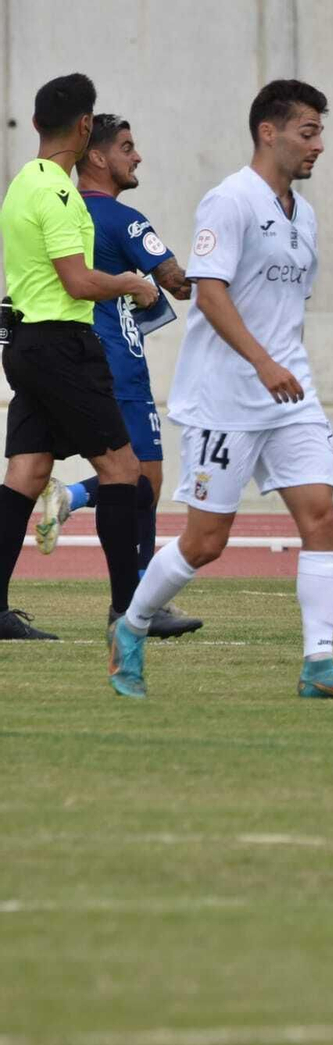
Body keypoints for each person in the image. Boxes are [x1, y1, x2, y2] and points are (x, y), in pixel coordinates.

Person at [107, 80, 333, 699]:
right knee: (206, 542)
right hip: (226, 397)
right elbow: (210, 292)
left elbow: (287, 305)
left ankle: (319, 664)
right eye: (308, 132)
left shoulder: (304, 214)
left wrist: (282, 367)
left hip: (291, 393)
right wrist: (262, 363)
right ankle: (130, 627)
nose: (319, 146)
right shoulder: (228, 201)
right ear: (269, 131)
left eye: (320, 133)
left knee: (321, 515)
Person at [31, 113, 203, 638]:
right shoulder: (122, 220)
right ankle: (138, 601)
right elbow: (180, 283)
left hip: (66, 356)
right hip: (118, 367)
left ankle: (130, 591)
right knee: (143, 481)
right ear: (99, 157)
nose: (137, 156)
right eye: (127, 147)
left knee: (116, 475)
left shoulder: (63, 214)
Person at [0, 73, 158, 641]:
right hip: (62, 344)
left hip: (23, 344)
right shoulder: (62, 193)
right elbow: (77, 281)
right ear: (86, 125)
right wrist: (131, 284)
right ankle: (128, 612)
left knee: (27, 472)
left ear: (38, 123)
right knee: (121, 469)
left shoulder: (23, 182)